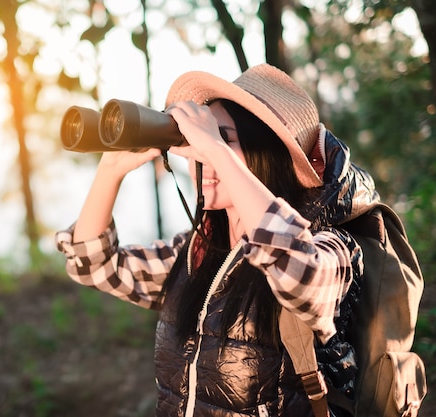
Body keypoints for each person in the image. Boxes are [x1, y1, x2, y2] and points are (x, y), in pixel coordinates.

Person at [55, 64, 379, 417]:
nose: (203, 160)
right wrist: (111, 170)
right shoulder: (195, 253)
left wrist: (215, 149)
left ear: (266, 154)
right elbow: (94, 265)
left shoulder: (333, 247)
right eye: (196, 145)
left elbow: (300, 273)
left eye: (223, 140)